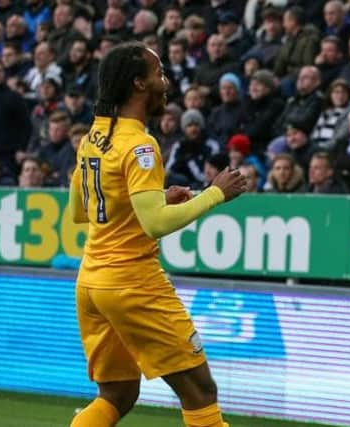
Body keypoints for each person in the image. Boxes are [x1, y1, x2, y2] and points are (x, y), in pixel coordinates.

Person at [67, 41, 246, 427]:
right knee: (200, 391)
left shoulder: (92, 139)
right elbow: (157, 224)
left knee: (117, 394)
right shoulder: (140, 144)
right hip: (133, 283)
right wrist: (216, 193)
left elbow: (82, 210)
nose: (165, 82)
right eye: (158, 73)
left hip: (91, 283)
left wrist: (150, 197)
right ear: (139, 84)